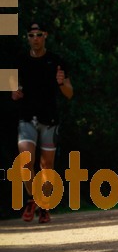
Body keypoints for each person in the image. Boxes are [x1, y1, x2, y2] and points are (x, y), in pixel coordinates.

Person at [12, 21, 73, 224]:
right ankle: (32, 200)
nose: (35, 39)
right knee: (25, 161)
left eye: (38, 35)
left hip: (50, 119)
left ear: (45, 35)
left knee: (47, 167)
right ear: (27, 38)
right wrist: (13, 90)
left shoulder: (56, 61)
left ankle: (45, 205)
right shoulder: (19, 61)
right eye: (31, 35)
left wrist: (61, 82)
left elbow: (69, 93)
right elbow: (9, 87)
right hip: (27, 117)